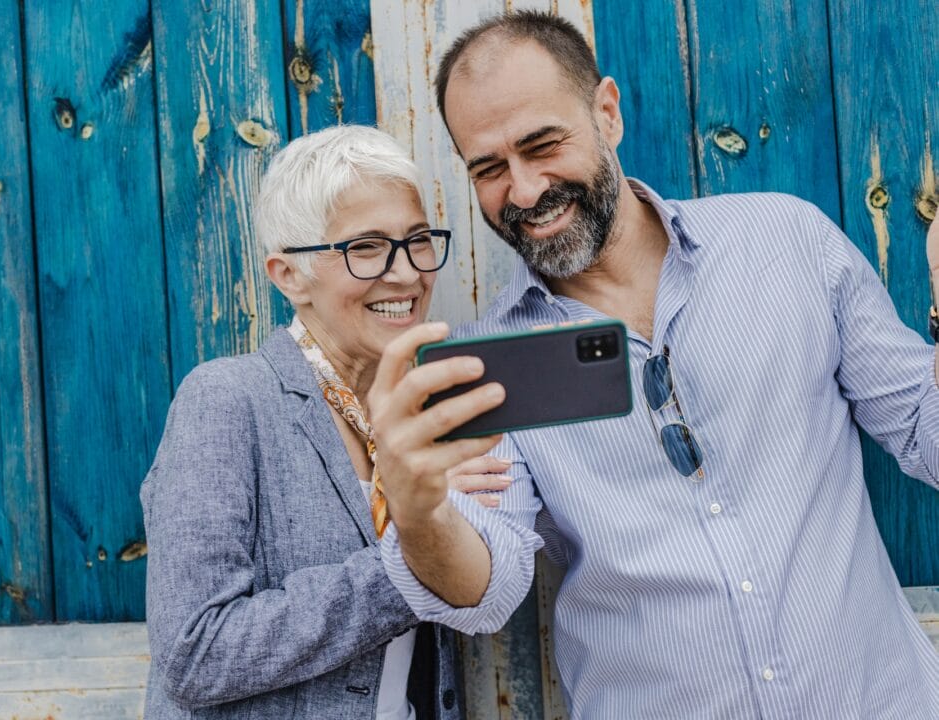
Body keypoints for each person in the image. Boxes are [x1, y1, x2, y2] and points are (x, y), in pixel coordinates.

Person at [368, 10, 939, 719]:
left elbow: (926, 436)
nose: (524, 191)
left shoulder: (787, 241)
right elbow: (487, 589)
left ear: (606, 113)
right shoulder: (490, 368)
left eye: (543, 145)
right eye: (488, 169)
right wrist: (418, 511)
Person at [141, 124, 510, 719]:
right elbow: (195, 653)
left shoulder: (430, 413)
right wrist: (410, 551)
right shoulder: (226, 400)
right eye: (365, 247)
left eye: (418, 240)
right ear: (288, 274)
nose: (407, 274)